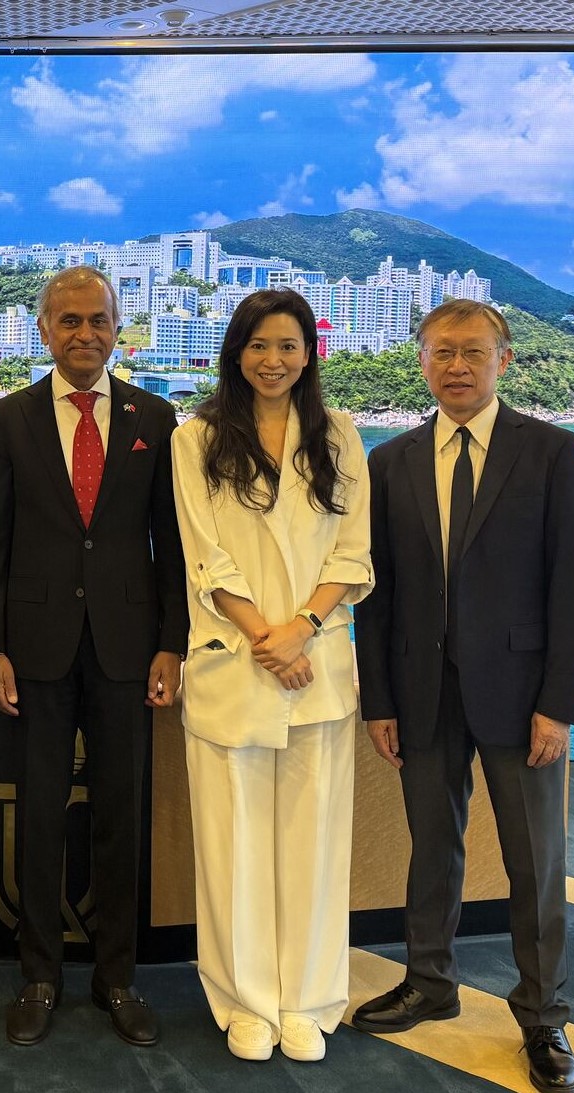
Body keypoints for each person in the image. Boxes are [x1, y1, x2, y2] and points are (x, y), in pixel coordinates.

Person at [351, 299, 574, 1093]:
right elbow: (375, 598)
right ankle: (430, 981)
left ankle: (543, 1015)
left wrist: (558, 703)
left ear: (504, 360)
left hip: (522, 694)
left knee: (535, 860)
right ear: (419, 361)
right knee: (432, 847)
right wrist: (377, 700)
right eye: (441, 352)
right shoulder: (388, 462)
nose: (456, 365)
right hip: (421, 695)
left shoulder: (553, 452)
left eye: (472, 352)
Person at [0, 266, 188, 1049]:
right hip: (33, 647)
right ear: (43, 330)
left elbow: (171, 543)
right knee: (37, 811)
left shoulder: (153, 416)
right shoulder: (7, 419)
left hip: (129, 648)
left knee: (120, 812)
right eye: (68, 321)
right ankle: (38, 974)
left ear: (116, 327)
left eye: (97, 320)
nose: (84, 334)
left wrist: (172, 641)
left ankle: (117, 975)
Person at [170, 289, 372, 1063]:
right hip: (237, 659)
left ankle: (308, 998)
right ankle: (244, 998)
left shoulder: (341, 435)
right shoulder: (197, 439)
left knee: (314, 842)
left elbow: (351, 553)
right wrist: (264, 635)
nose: (273, 359)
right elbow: (202, 555)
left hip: (314, 662)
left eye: (288, 345)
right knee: (232, 841)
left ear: (308, 353)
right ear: (235, 352)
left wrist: (302, 630)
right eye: (258, 345)